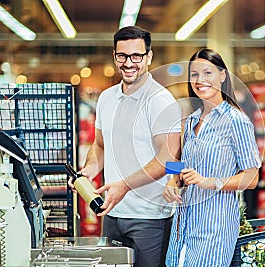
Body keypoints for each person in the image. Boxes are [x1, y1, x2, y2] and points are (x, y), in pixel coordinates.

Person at [69, 26, 181, 267]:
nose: (129, 63)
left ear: (149, 57)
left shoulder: (160, 101)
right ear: (114, 56)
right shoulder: (107, 99)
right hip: (112, 213)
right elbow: (100, 145)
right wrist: (88, 171)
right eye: (122, 56)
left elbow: (169, 156)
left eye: (136, 56)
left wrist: (125, 186)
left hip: (149, 217)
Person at [163, 48, 262, 267]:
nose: (200, 80)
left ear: (222, 75)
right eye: (194, 74)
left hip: (214, 230)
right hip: (183, 228)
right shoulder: (192, 120)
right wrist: (172, 179)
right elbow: (178, 159)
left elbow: (252, 178)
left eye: (207, 73)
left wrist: (210, 182)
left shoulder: (236, 121)